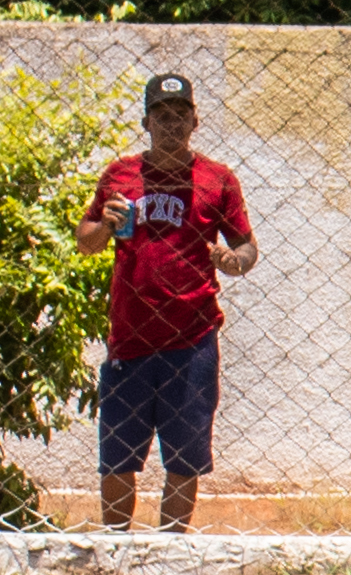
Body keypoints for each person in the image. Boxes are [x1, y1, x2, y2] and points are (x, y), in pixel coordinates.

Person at [74, 73, 258, 531]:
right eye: (161, 115)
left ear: (195, 121)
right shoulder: (120, 175)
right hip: (130, 338)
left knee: (185, 456)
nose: (171, 124)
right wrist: (103, 226)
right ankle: (116, 547)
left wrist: (232, 260)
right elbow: (86, 241)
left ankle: (170, 550)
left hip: (192, 339)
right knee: (116, 456)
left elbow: (247, 247)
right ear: (146, 122)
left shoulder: (219, 180)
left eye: (180, 116)